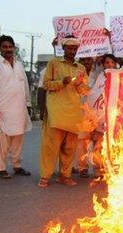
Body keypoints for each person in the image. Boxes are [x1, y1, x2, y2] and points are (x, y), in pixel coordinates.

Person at [38, 36, 90, 188]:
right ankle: (45, 176)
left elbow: (85, 90)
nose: (72, 51)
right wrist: (62, 82)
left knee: (70, 147)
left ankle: (65, 175)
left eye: (75, 49)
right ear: (64, 48)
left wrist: (79, 84)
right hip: (56, 111)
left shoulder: (81, 68)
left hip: (74, 111)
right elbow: (46, 84)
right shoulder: (54, 63)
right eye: (69, 48)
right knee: (50, 146)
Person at [0, 35, 32, 179]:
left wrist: (28, 103)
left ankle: (17, 166)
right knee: (0, 142)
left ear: (14, 48)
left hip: (18, 109)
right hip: (2, 110)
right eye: (4, 47)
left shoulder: (19, 65)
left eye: (10, 47)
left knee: (18, 139)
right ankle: (0, 168)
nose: (8, 49)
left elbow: (25, 85)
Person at [78, 54, 118, 179]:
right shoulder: (97, 75)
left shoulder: (118, 76)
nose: (109, 65)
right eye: (107, 63)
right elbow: (88, 86)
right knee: (85, 142)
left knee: (100, 144)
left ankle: (99, 169)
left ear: (116, 64)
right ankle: (82, 167)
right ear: (103, 64)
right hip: (90, 113)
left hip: (108, 116)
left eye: (112, 62)